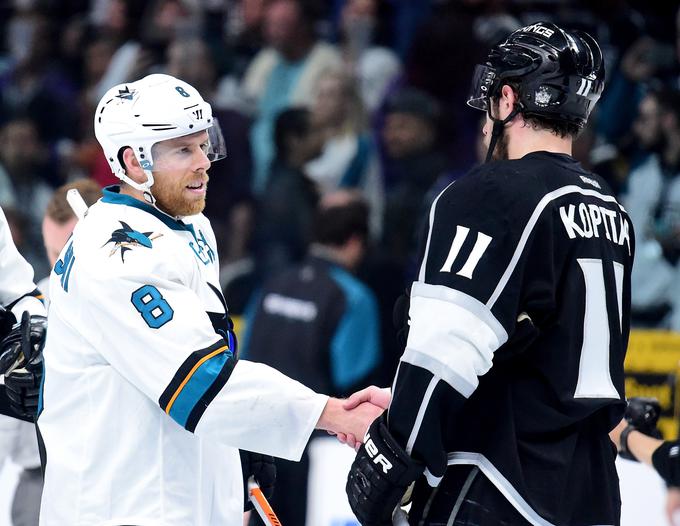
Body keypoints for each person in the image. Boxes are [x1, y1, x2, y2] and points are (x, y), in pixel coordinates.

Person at [37, 73, 382, 526]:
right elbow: (197, 381)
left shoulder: (188, 223)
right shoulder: (114, 258)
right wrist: (336, 414)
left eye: (204, 144)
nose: (204, 162)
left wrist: (241, 440)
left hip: (177, 488)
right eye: (184, 150)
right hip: (121, 505)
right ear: (134, 164)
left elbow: (212, 346)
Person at [344, 22, 634, 526]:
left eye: (487, 107)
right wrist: (406, 400)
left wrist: (399, 449)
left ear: (507, 98)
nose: (482, 124)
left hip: (498, 486)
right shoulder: (610, 210)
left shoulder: (489, 193)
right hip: (588, 495)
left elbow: (443, 353)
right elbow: (535, 349)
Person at [245, 191, 381, 525]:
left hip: (254, 437)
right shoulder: (354, 298)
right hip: (314, 446)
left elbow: (241, 354)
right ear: (355, 242)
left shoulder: (273, 284)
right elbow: (356, 381)